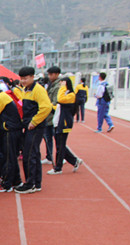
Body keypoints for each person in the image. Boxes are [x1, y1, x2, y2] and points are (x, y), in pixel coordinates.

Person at [16, 66, 52, 194]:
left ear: (32, 77)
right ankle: (36, 183)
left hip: (35, 127)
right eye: (21, 79)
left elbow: (46, 107)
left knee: (29, 154)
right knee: (34, 154)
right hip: (29, 125)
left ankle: (30, 183)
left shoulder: (38, 90)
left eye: (25, 78)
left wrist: (34, 121)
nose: (23, 81)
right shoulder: (26, 89)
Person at [47, 77, 83, 175]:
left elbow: (60, 99)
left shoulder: (71, 95)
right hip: (58, 122)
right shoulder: (65, 93)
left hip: (64, 124)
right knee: (60, 145)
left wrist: (62, 88)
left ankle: (58, 168)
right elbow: (58, 107)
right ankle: (75, 160)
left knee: (60, 147)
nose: (60, 84)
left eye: (62, 82)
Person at [41, 66, 62, 165]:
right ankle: (49, 157)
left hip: (53, 116)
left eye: (51, 74)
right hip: (49, 116)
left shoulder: (57, 86)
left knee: (56, 139)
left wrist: (45, 106)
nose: (49, 76)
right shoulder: (52, 85)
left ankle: (64, 157)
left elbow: (55, 102)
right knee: (48, 138)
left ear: (57, 74)